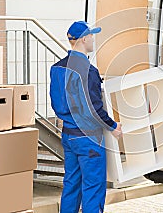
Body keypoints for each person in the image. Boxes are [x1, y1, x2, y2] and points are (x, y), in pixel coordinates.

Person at [50, 21, 122, 213]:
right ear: (83, 39)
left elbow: (56, 103)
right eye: (91, 35)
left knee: (71, 185)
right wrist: (113, 126)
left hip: (69, 135)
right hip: (88, 138)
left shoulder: (57, 68)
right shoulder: (89, 71)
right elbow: (94, 108)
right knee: (92, 188)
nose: (93, 39)